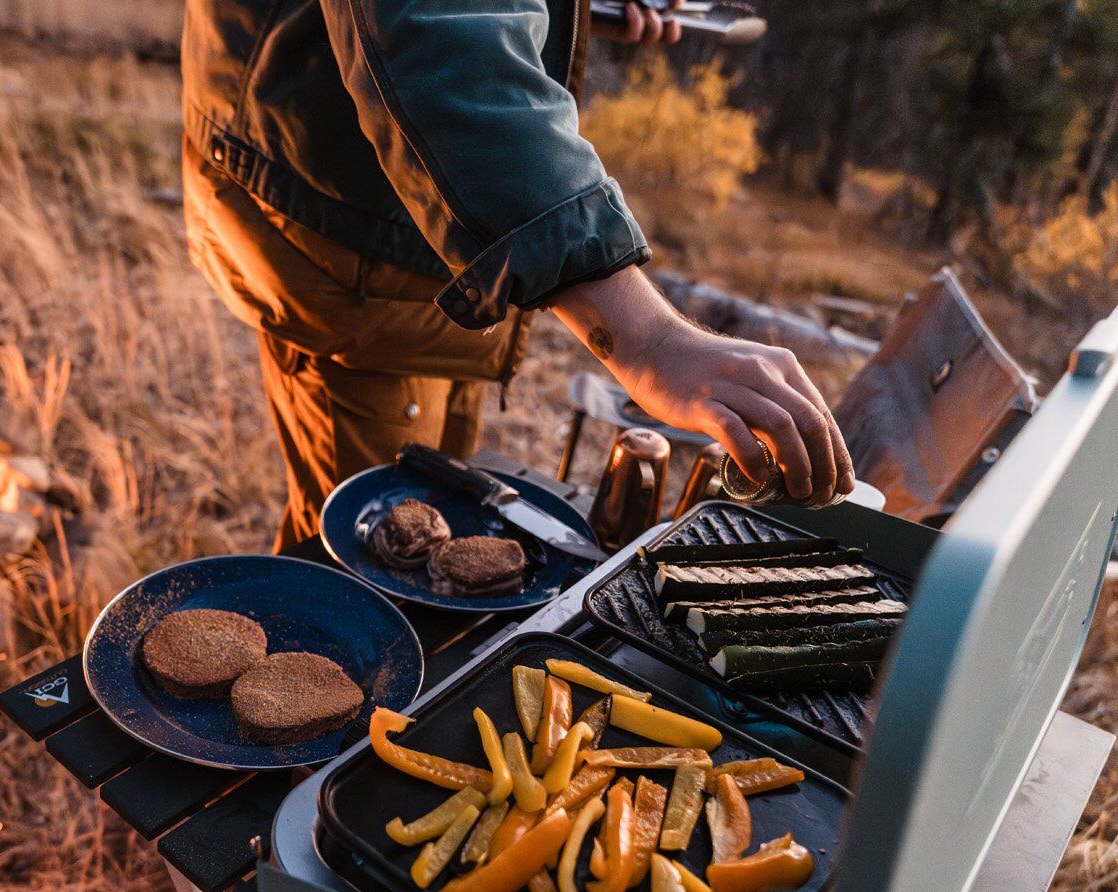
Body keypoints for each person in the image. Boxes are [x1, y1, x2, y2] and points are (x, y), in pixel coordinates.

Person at [182, 0, 855, 550]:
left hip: (434, 221)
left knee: (428, 523)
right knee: (362, 552)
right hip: (336, 202)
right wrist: (646, 338)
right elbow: (439, 27)